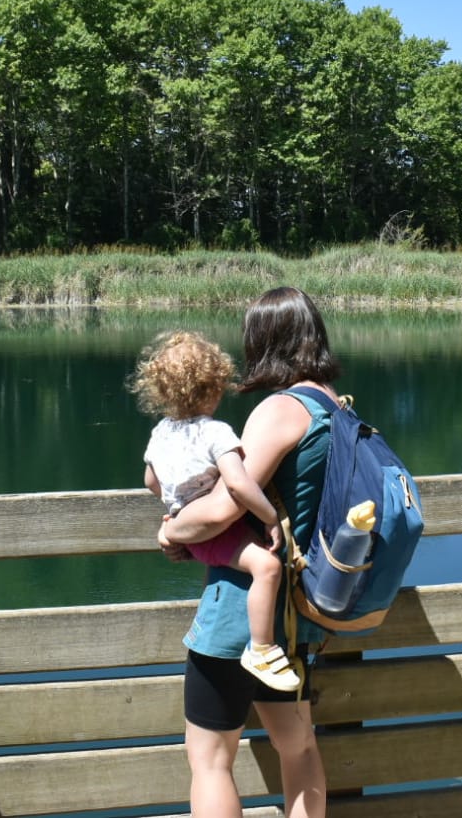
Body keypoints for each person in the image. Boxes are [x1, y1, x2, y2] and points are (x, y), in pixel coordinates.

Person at [158, 286, 337, 818]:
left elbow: (221, 508)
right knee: (298, 746)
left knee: (210, 759)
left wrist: (173, 530)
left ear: (263, 340)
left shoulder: (278, 410)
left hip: (237, 616)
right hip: (292, 618)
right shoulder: (331, 405)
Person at [131, 330, 301, 691]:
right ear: (214, 388)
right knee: (268, 567)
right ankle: (262, 648)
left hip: (188, 528)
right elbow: (239, 485)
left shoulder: (161, 432)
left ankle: (260, 647)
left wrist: (174, 505)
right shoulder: (217, 433)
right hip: (217, 532)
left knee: (256, 565)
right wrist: (271, 518)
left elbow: (150, 480)